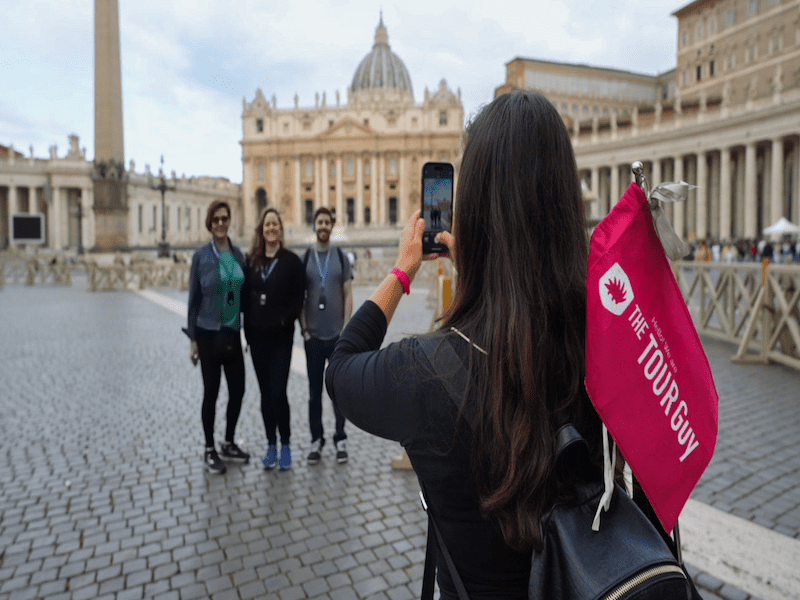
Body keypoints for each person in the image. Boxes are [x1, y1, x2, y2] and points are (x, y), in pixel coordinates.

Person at [325, 91, 609, 599]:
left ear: (472, 211)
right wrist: (486, 275)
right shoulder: (607, 344)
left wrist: (402, 273)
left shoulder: (425, 370)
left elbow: (341, 366)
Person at [186, 200, 249, 475]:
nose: (221, 223)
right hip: (208, 334)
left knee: (238, 390)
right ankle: (209, 448)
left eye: (225, 218)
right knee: (210, 393)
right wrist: (192, 340)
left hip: (232, 332)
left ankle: (228, 441)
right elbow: (193, 300)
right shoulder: (201, 256)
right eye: (216, 220)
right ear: (210, 224)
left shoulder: (238, 254)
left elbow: (244, 295)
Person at [243, 208, 305, 471]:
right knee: (265, 394)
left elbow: (298, 298)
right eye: (267, 224)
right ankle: (271, 444)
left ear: (280, 229)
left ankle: (286, 444)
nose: (271, 229)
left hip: (281, 338)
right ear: (262, 229)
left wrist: (284, 319)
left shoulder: (292, 261)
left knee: (279, 392)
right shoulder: (252, 262)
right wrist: (246, 332)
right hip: (257, 339)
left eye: (275, 224)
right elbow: (244, 299)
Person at [300, 207, 353, 465]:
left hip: (336, 336)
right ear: (315, 225)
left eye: (326, 222)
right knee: (314, 393)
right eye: (319, 222)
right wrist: (303, 328)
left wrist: (346, 329)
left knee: (338, 391)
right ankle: (316, 439)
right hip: (313, 336)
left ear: (331, 225)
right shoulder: (305, 258)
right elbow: (299, 296)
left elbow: (348, 293)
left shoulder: (341, 256)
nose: (323, 226)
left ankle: (340, 438)